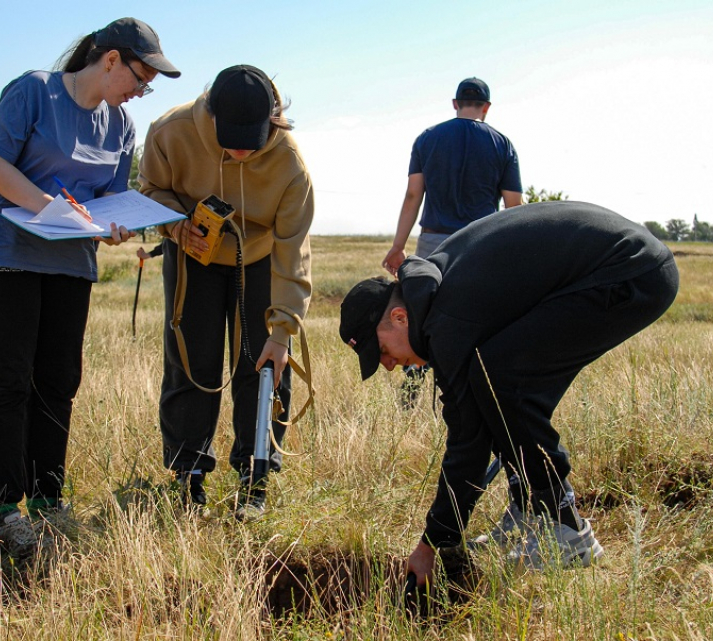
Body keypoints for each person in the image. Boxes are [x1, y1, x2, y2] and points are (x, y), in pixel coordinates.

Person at [340, 201, 679, 586]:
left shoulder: (447, 320)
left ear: (400, 318)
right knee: (495, 377)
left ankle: (566, 529)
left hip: (632, 271)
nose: (387, 365)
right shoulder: (433, 291)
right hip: (618, 264)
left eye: (381, 351)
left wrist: (433, 543)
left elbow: (468, 443)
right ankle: (529, 506)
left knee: (501, 379)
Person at [0, 17, 180, 557]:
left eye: (147, 86)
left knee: (57, 382)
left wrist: (113, 228)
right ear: (109, 59)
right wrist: (51, 208)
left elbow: (105, 203)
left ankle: (47, 497)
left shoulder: (122, 126)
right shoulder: (34, 91)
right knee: (7, 382)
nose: (140, 91)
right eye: (140, 78)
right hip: (5, 255)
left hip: (69, 266)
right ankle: (4, 506)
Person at [137, 65, 314, 522]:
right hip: (192, 254)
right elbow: (150, 189)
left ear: (274, 121)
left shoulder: (292, 166)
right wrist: (178, 225)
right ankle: (187, 474)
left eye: (250, 140)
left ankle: (255, 475)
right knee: (190, 359)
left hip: (258, 259)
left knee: (264, 362)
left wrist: (284, 329)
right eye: (229, 137)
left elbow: (294, 251)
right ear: (208, 113)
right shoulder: (170, 131)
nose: (238, 150)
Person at [382, 77, 523, 409]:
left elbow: (414, 193)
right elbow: (514, 205)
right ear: (486, 107)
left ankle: (411, 397)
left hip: (432, 243)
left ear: (455, 103)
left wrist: (398, 245)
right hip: (481, 243)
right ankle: (467, 399)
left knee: (422, 320)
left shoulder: (428, 138)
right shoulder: (502, 143)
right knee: (476, 321)